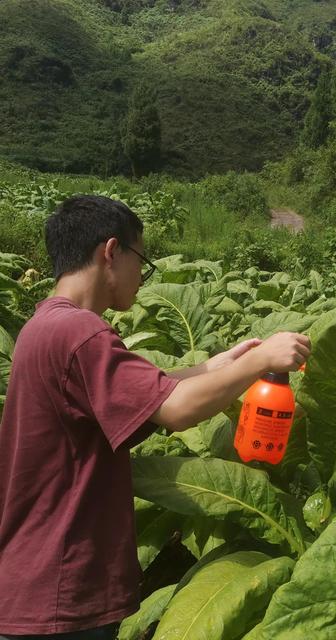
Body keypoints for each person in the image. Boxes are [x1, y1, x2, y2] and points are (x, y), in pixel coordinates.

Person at [0, 195, 311, 638]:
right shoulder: (81, 331)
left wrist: (218, 364)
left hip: (35, 577)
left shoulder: (46, 325)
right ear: (111, 252)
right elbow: (178, 410)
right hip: (61, 586)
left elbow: (148, 392)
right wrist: (261, 363)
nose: (143, 276)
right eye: (141, 259)